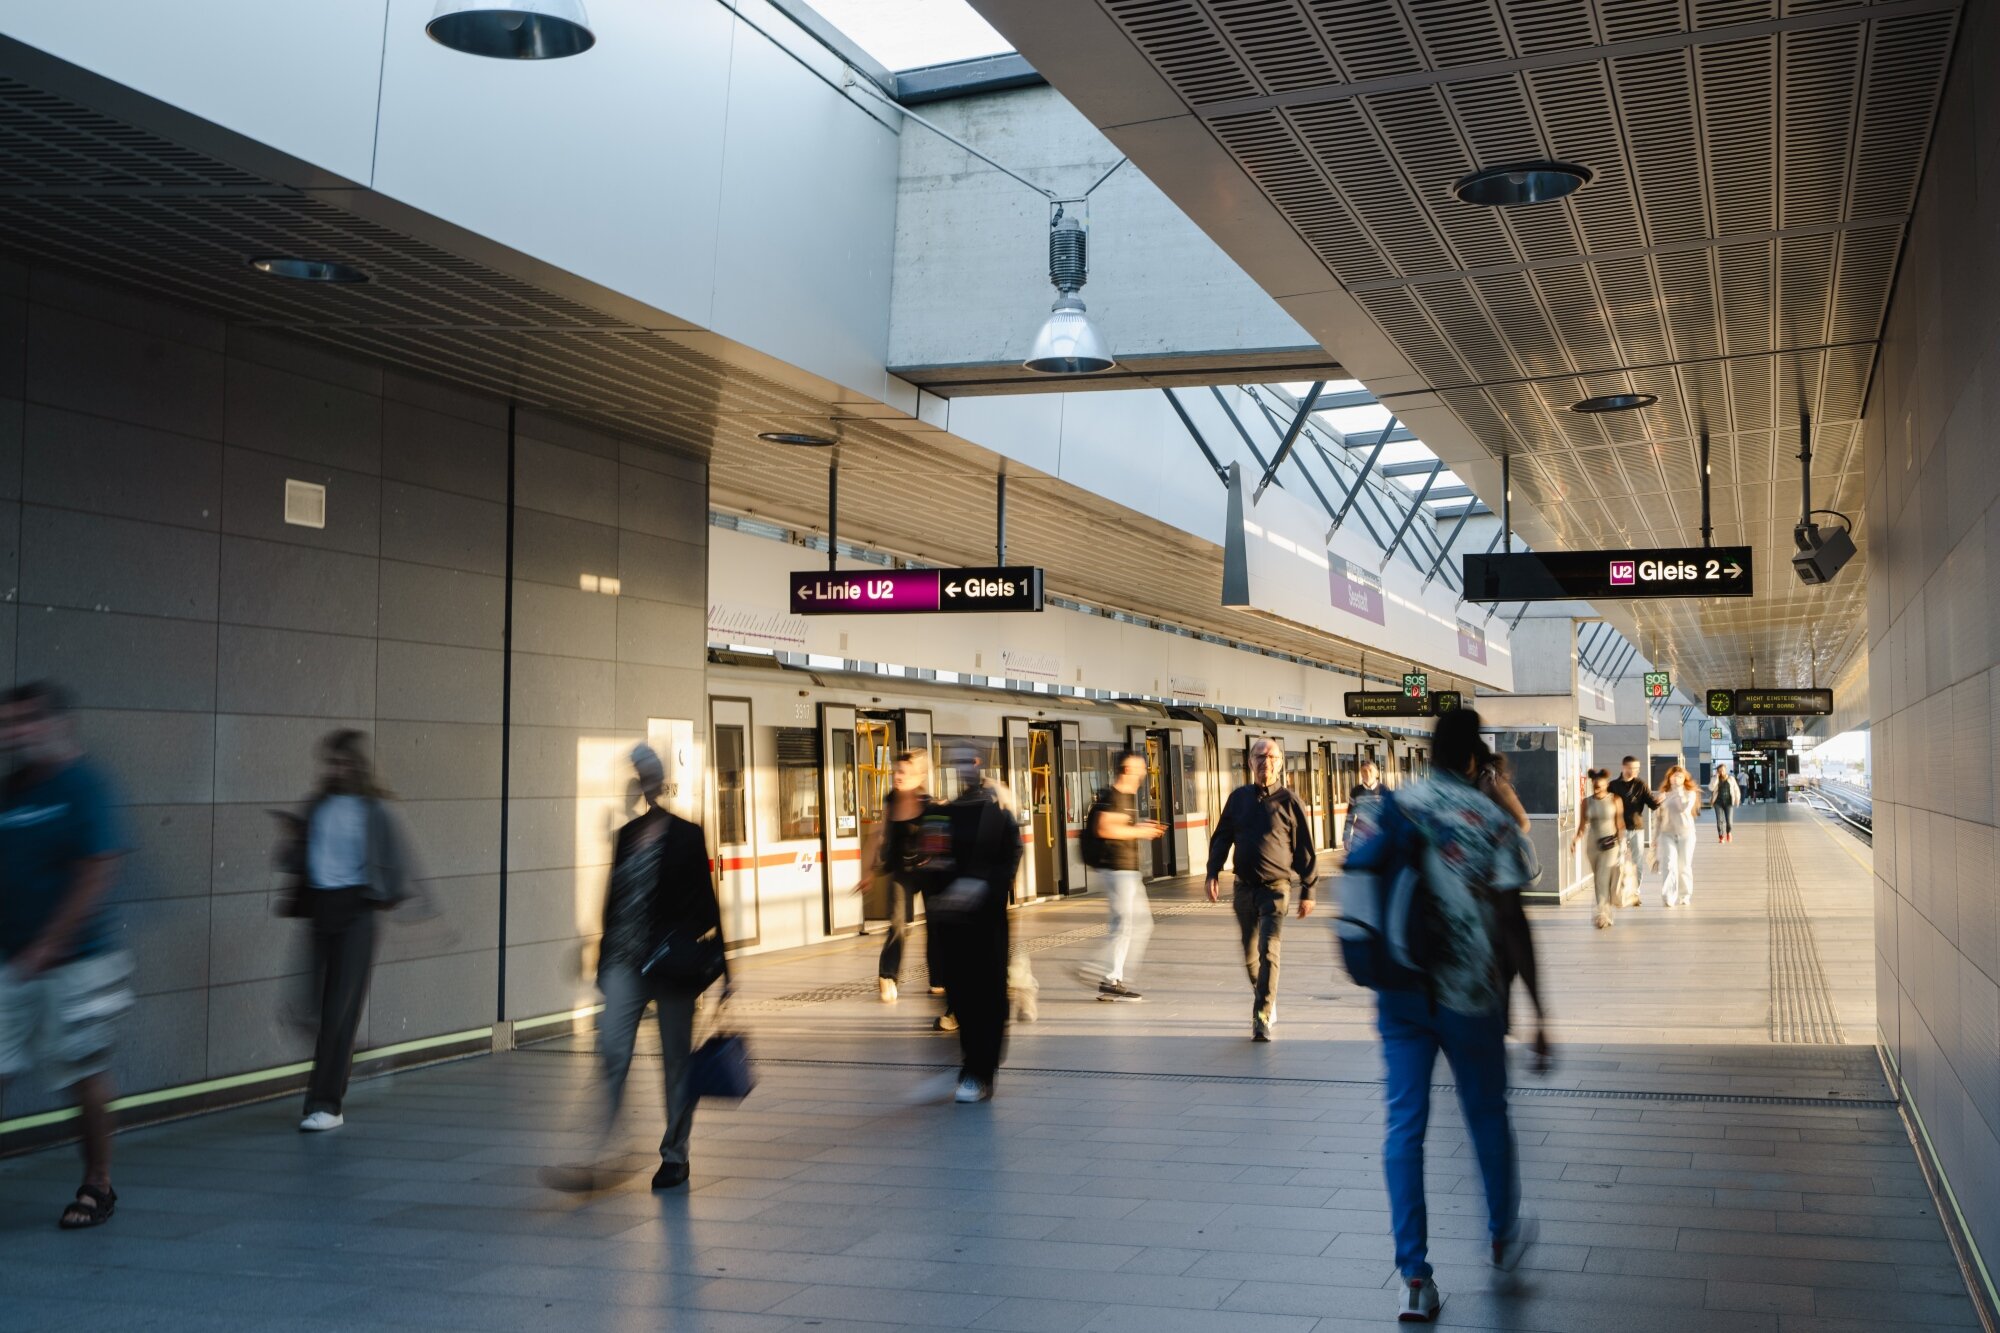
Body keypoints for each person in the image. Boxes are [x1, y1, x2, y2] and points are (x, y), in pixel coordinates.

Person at [1341, 708, 1549, 1323]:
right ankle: (1502, 1236)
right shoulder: (1488, 817)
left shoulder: (1391, 806)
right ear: (1472, 757)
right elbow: (1514, 922)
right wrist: (1540, 1013)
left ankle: (1414, 1277)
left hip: (1400, 993)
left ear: (1429, 754)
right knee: (1486, 1116)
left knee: (1404, 1127)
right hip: (1470, 994)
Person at [0, 682, 131, 1230]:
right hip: (12, 960)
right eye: (7, 724)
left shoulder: (84, 784)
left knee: (82, 1071)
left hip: (79, 963)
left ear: (57, 724)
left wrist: (51, 943)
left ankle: (98, 1184)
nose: (13, 733)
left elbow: (98, 867)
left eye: (24, 721)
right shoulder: (11, 790)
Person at [575, 743, 728, 1191]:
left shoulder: (686, 834)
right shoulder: (627, 835)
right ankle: (602, 1147)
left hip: (673, 965)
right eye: (639, 775)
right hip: (625, 961)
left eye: (650, 774)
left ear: (662, 781)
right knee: (612, 1050)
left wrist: (723, 964)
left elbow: (707, 903)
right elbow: (613, 900)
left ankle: (675, 1156)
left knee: (676, 1063)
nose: (646, 783)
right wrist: (603, 958)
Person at [297, 730, 412, 1132]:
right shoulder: (318, 805)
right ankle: (348, 1067)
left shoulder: (374, 809)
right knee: (309, 1009)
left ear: (359, 766)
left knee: (338, 1013)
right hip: (321, 910)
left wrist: (385, 898)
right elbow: (305, 855)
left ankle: (326, 1104)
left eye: (344, 762)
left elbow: (398, 862)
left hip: (358, 912)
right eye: (332, 762)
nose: (337, 769)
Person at [919, 746, 1022, 1102]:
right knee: (962, 994)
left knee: (987, 994)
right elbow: (930, 860)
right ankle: (973, 1065)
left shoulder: (998, 816)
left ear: (980, 765)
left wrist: (981, 887)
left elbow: (1009, 859)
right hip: (953, 923)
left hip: (985, 922)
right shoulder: (941, 814)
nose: (965, 767)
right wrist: (944, 891)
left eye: (969, 760)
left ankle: (980, 1070)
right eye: (958, 761)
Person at [1205, 737, 1317, 1042]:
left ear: (1280, 764)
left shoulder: (1290, 801)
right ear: (1249, 762)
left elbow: (1305, 849)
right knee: (1249, 955)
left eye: (1271, 757)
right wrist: (1212, 871)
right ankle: (1265, 994)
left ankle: (1262, 1016)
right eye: (1259, 756)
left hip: (1276, 889)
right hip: (1243, 889)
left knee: (1269, 951)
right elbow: (1222, 837)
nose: (1264, 762)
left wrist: (1309, 889)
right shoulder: (1238, 798)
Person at [1091, 751, 1164, 1002]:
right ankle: (1106, 976)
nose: (1144, 773)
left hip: (1125, 870)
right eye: (1140, 768)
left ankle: (1110, 977)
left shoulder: (1123, 797)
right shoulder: (1114, 797)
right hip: (1117, 869)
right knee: (1123, 925)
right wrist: (1139, 831)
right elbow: (1104, 828)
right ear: (1127, 770)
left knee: (1139, 924)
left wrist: (1139, 828)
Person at [862, 751, 932, 1003]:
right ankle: (887, 975)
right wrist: (867, 872)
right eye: (895, 771)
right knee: (898, 923)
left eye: (903, 772)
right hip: (901, 870)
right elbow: (876, 836)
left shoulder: (929, 805)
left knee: (936, 925)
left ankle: (939, 978)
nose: (897, 776)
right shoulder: (890, 801)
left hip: (928, 871)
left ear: (919, 777)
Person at [1574, 769, 1626, 929]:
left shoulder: (1615, 799)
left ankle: (1602, 915)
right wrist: (1575, 840)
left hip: (1611, 844)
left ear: (1606, 785)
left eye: (1600, 785)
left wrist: (1623, 844)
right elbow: (1582, 825)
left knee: (1602, 878)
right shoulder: (1586, 802)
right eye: (1595, 785)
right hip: (1592, 845)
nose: (1597, 788)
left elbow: (1620, 823)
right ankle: (1606, 913)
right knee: (1599, 880)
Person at [1606, 757, 1659, 908]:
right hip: (1618, 829)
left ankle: (1635, 893)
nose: (1634, 771)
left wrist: (1659, 800)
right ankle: (1617, 892)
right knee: (1618, 862)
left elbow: (1652, 804)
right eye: (1631, 768)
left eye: (1637, 768)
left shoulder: (1641, 785)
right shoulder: (1613, 785)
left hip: (1637, 828)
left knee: (1637, 862)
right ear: (1623, 767)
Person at [1656, 766, 1702, 908]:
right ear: (1669, 777)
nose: (1676, 778)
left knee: (1684, 866)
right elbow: (1658, 817)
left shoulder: (1690, 793)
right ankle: (1668, 896)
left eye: (1680, 777)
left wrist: (1679, 791)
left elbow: (1684, 808)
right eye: (1674, 776)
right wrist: (1655, 838)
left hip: (1686, 834)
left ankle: (1685, 895)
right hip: (1667, 833)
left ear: (1684, 779)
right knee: (1669, 864)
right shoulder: (1664, 794)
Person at [1347, 758, 1386, 847]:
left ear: (1377, 773)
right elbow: (1350, 815)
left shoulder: (1384, 790)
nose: (1367, 774)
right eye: (1364, 771)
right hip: (1359, 839)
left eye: (1370, 770)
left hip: (1378, 837)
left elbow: (1389, 815)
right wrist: (1346, 837)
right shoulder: (1355, 791)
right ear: (1361, 774)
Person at [1711, 765, 1739, 842]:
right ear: (1717, 771)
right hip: (1718, 802)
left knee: (1729, 822)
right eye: (1720, 771)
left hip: (1728, 802)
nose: (1722, 772)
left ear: (1725, 770)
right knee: (1719, 821)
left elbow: (1736, 789)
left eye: (1723, 770)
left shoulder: (1731, 778)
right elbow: (1711, 788)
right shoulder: (1714, 779)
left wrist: (1737, 799)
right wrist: (1716, 778)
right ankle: (1721, 836)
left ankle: (1728, 832)